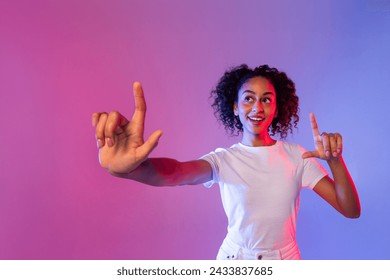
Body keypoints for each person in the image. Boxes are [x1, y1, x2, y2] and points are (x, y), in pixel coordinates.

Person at [92, 64, 360, 260]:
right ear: (235, 107)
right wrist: (132, 170)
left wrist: (335, 161)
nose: (257, 108)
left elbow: (350, 210)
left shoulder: (297, 156)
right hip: (235, 259)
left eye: (266, 100)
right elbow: (175, 172)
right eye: (248, 99)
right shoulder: (224, 160)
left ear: (276, 109)